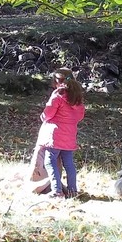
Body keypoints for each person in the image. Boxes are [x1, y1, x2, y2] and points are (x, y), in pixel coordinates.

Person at [36, 68, 86, 198]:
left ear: (57, 82)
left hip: (54, 136)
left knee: (50, 162)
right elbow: (80, 116)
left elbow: (48, 114)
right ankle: (72, 190)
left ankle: (57, 191)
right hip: (70, 137)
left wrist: (43, 117)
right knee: (69, 164)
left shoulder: (57, 96)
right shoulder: (77, 97)